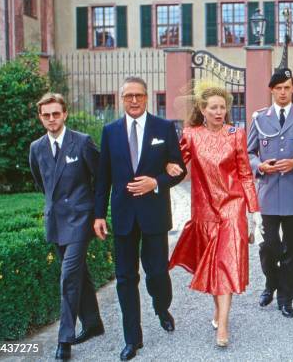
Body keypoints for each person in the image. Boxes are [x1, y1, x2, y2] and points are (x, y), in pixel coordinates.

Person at [93, 77, 186, 361]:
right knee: (125, 278)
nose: (134, 101)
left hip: (154, 213)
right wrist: (98, 214)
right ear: (121, 99)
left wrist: (155, 182)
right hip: (123, 215)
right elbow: (103, 177)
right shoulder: (110, 132)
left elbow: (179, 169)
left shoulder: (163, 128)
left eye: (139, 96)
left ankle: (161, 306)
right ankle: (132, 339)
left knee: (157, 272)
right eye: (128, 96)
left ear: (147, 98)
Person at [166, 81, 260, 348]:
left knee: (226, 262)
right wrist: (165, 167)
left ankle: (224, 326)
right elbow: (176, 162)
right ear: (203, 110)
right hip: (204, 209)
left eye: (223, 107)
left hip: (232, 207)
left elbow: (245, 173)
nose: (219, 112)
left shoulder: (236, 133)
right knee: (210, 264)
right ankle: (218, 309)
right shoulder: (191, 134)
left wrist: (255, 211)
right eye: (214, 108)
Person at [29, 93, 104, 361]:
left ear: (65, 114)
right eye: (46, 115)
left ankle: (65, 339)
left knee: (68, 276)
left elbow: (101, 179)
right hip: (57, 221)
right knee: (78, 273)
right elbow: (42, 183)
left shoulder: (81, 142)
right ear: (41, 117)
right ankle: (94, 323)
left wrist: (97, 214)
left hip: (80, 220)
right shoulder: (36, 147)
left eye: (56, 114)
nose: (51, 119)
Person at [246, 68, 293, 318]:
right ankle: (271, 283)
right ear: (271, 90)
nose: (283, 92)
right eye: (278, 88)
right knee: (268, 247)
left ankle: (286, 297)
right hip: (268, 195)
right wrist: (258, 166)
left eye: (287, 87)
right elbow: (248, 153)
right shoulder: (260, 118)